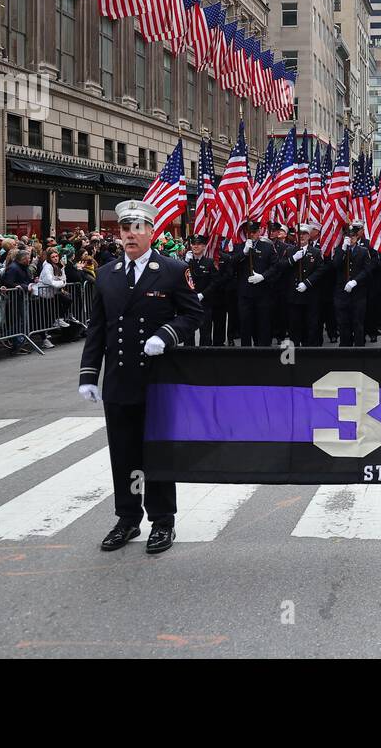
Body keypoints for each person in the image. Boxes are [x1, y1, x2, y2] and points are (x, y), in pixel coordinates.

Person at [78, 199, 203, 555]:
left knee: (157, 452)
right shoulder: (106, 274)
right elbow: (97, 328)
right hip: (119, 379)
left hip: (157, 380)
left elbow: (193, 315)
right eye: (124, 229)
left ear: (151, 232)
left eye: (137, 228)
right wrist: (89, 374)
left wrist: (166, 334)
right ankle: (128, 518)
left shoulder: (173, 270)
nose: (130, 235)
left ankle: (163, 521)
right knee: (124, 453)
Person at [231, 220, 277, 347]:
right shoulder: (240, 247)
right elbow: (231, 263)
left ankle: (263, 350)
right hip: (245, 293)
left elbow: (275, 266)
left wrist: (263, 276)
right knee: (245, 324)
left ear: (260, 232)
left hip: (262, 292)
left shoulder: (267, 247)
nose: (251, 235)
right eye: (249, 232)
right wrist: (244, 253)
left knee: (263, 324)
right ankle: (246, 351)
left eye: (254, 232)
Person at [331, 221, 374, 347]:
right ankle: (345, 349)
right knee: (343, 323)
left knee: (358, 323)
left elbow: (367, 270)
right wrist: (343, 250)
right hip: (342, 293)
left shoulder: (363, 251)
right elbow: (336, 265)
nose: (351, 239)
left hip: (358, 293)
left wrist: (355, 281)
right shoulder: (339, 250)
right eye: (348, 237)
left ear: (357, 237)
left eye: (353, 236)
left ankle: (359, 349)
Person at [286, 223, 327, 346]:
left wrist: (307, 283)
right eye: (299, 234)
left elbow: (320, 270)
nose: (302, 236)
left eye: (304, 234)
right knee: (294, 325)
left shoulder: (316, 252)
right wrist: (293, 259)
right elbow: (281, 267)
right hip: (294, 296)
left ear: (309, 236)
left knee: (311, 325)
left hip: (310, 295)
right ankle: (295, 353)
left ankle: (309, 353)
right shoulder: (289, 251)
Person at [184, 234, 223, 346]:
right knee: (189, 332)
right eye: (193, 244)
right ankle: (189, 356)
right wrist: (186, 263)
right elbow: (182, 279)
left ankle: (204, 356)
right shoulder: (186, 262)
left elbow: (215, 282)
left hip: (204, 302)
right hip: (189, 301)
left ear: (204, 246)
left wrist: (203, 294)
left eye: (199, 244)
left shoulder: (209, 263)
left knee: (205, 331)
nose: (195, 246)